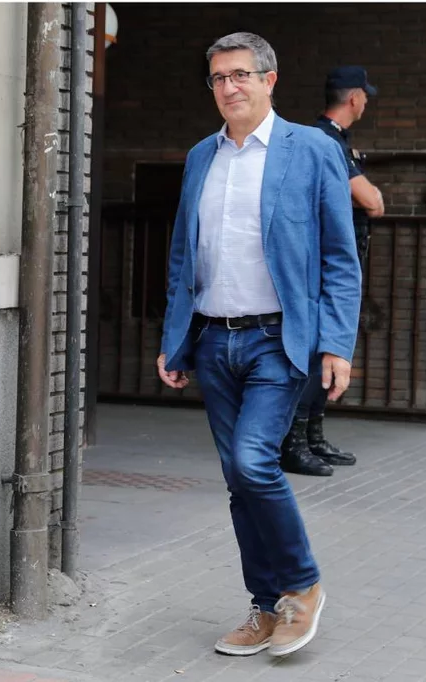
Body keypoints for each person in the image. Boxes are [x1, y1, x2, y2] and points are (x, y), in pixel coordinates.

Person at [156, 33, 361, 657]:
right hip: (214, 341)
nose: (229, 87)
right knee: (237, 481)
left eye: (241, 75)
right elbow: (182, 258)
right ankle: (265, 606)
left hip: (278, 339)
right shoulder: (200, 157)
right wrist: (174, 341)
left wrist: (336, 345)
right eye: (218, 78)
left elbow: (339, 258)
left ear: (270, 80)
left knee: (253, 463)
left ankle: (302, 585)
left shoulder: (312, 150)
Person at [280, 66, 384, 477]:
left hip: (336, 264)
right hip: (322, 265)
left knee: (331, 345)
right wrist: (368, 195)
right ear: (355, 97)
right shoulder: (324, 140)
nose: (366, 103)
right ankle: (295, 441)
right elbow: (372, 201)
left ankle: (312, 436)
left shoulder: (336, 140)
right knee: (318, 346)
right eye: (366, 96)